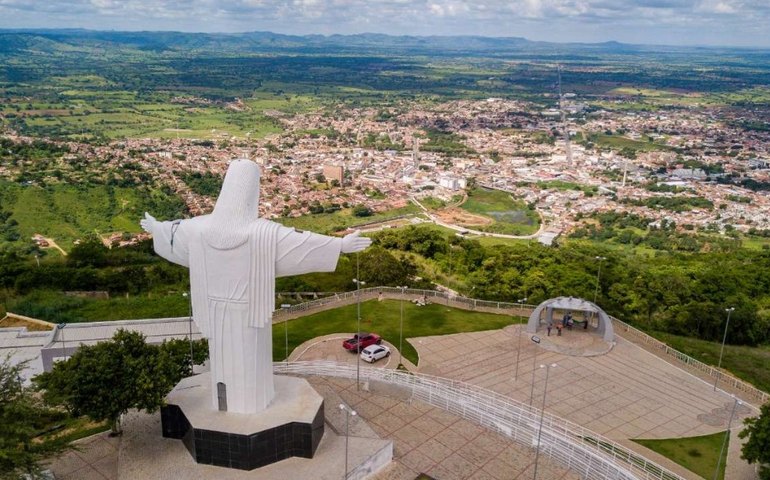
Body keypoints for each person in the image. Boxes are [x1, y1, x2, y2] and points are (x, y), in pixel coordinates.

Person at [141, 159, 371, 414]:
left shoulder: (198, 228)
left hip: (216, 308)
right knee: (249, 362)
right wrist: (339, 245)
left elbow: (173, 232)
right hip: (247, 312)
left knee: (230, 363)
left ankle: (232, 403)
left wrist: (155, 228)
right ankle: (247, 405)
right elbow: (302, 244)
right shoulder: (263, 233)